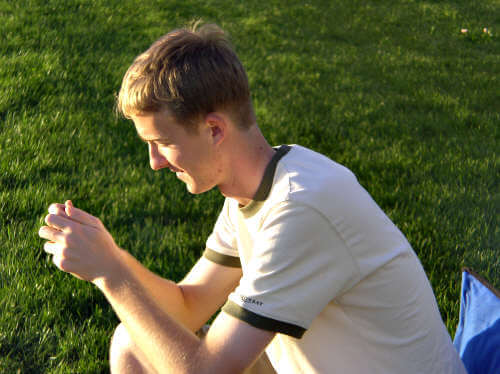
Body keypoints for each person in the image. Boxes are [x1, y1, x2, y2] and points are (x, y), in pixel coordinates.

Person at [38, 22, 466, 373]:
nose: (154, 162)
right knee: (133, 343)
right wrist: (108, 253)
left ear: (214, 130)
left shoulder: (301, 208)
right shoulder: (255, 191)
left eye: (162, 142)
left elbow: (207, 370)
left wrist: (110, 273)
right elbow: (187, 307)